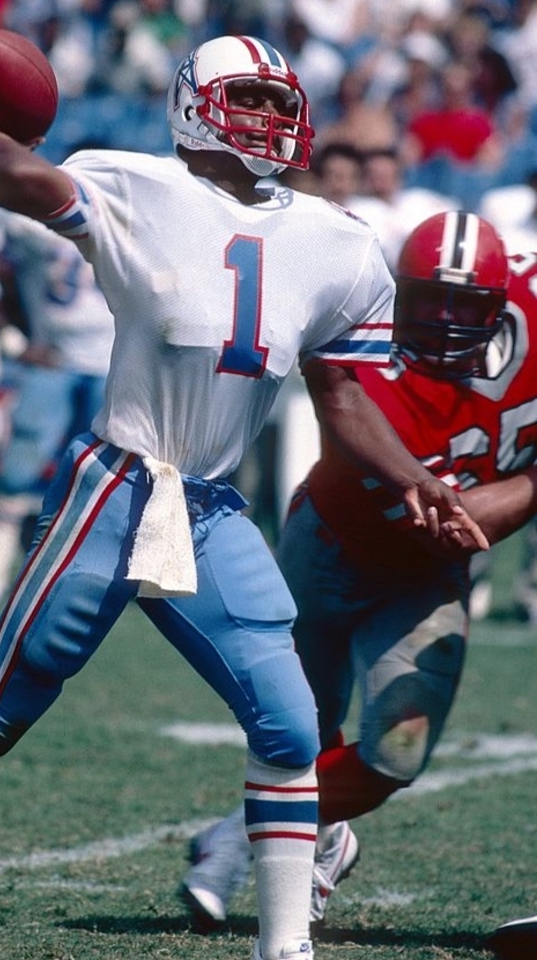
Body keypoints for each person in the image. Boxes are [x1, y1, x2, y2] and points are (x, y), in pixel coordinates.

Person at [0, 36, 486, 960]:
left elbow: (345, 399)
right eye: (250, 98)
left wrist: (418, 480)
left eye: (284, 104)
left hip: (210, 506)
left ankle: (286, 947)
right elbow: (10, 175)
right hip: (114, 485)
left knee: (285, 723)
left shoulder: (339, 244)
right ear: (193, 104)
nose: (273, 120)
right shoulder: (134, 186)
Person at [179, 211, 537, 930]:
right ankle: (313, 842)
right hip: (331, 538)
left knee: (396, 754)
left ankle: (236, 838)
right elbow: (336, 398)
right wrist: (424, 486)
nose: (442, 319)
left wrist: (512, 502)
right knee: (295, 731)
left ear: (501, 302)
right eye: (426, 299)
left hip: (425, 576)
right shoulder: (359, 316)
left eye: (464, 303)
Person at [0, 207, 115, 610]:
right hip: (56, 361)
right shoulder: (35, 223)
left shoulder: (130, 219)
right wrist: (16, 342)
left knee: (110, 480)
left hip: (114, 365)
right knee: (18, 469)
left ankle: (99, 580)